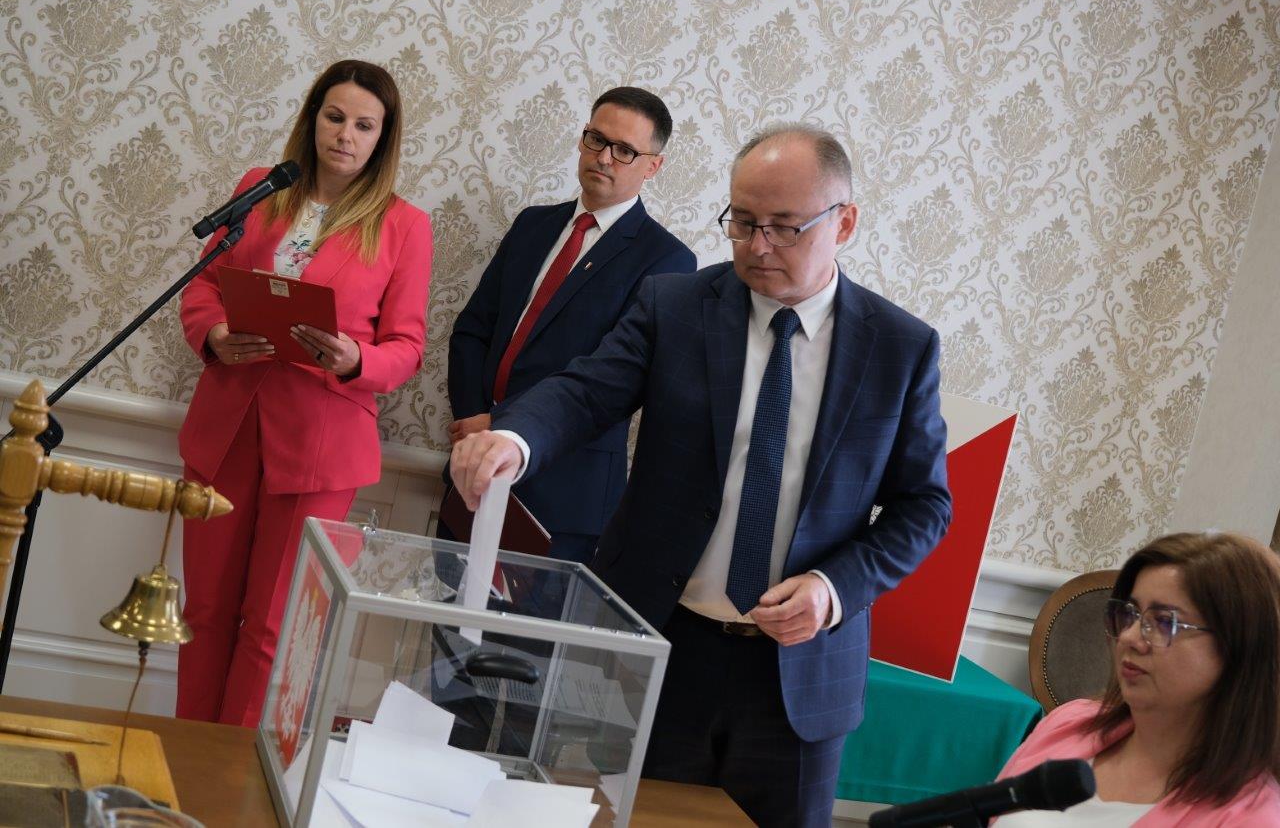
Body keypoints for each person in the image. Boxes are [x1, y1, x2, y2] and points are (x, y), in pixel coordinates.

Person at [450, 124, 952, 826]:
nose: (757, 246)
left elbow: (924, 506)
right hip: (666, 652)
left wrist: (834, 588)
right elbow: (585, 392)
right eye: (742, 222)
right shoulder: (675, 306)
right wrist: (513, 437)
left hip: (799, 675)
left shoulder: (900, 347)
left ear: (844, 224)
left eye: (784, 227)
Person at [176, 59, 432, 727]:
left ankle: (228, 773)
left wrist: (355, 359)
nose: (346, 135)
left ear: (383, 138)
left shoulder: (404, 225)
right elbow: (204, 285)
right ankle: (183, 757)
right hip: (228, 423)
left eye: (364, 125)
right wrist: (214, 333)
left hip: (320, 443)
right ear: (313, 118)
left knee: (274, 624)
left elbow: (407, 345)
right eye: (335, 117)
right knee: (203, 610)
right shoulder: (260, 188)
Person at [446, 86, 694, 563]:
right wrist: (475, 420)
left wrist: (502, 426)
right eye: (595, 139)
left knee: (527, 617)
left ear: (653, 166)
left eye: (624, 150)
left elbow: (613, 380)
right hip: (470, 467)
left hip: (563, 494)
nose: (604, 157)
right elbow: (473, 329)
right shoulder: (533, 225)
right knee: (444, 607)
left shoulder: (667, 261)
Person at [995, 531, 1280, 825]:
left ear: (1240, 649)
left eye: (1164, 621)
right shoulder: (1069, 723)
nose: (1129, 637)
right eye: (1130, 614)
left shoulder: (1252, 817)